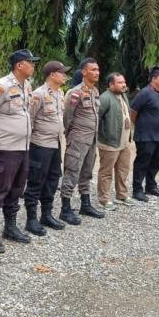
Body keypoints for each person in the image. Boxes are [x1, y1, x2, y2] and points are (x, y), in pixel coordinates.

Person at [0, 49, 39, 253]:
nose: (34, 66)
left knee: (16, 189)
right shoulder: (1, 86)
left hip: (22, 147)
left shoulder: (27, 85)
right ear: (20, 65)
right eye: (31, 63)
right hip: (4, 148)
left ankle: (10, 227)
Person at [24, 60, 71, 235]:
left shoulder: (60, 93)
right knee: (36, 180)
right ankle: (31, 219)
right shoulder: (38, 94)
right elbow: (30, 120)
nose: (65, 75)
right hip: (40, 145)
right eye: (62, 72)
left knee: (52, 179)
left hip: (55, 144)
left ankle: (46, 214)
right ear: (52, 75)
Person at [59, 57, 104, 224]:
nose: (97, 73)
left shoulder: (95, 91)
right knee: (72, 171)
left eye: (98, 70)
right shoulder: (75, 93)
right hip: (78, 139)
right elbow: (67, 118)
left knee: (87, 171)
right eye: (93, 70)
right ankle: (65, 209)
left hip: (92, 139)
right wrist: (71, 135)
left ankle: (86, 204)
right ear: (84, 72)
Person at [97, 73, 136, 210]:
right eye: (119, 82)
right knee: (106, 172)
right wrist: (102, 135)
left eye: (124, 82)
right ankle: (104, 199)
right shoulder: (105, 98)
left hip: (124, 142)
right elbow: (97, 118)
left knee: (123, 170)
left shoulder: (123, 95)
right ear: (111, 85)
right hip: (109, 142)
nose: (123, 85)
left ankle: (122, 195)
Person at [130, 66, 159, 201]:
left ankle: (151, 186)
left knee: (156, 162)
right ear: (153, 79)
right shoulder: (144, 93)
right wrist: (140, 126)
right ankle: (137, 189)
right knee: (142, 162)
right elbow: (133, 111)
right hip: (146, 136)